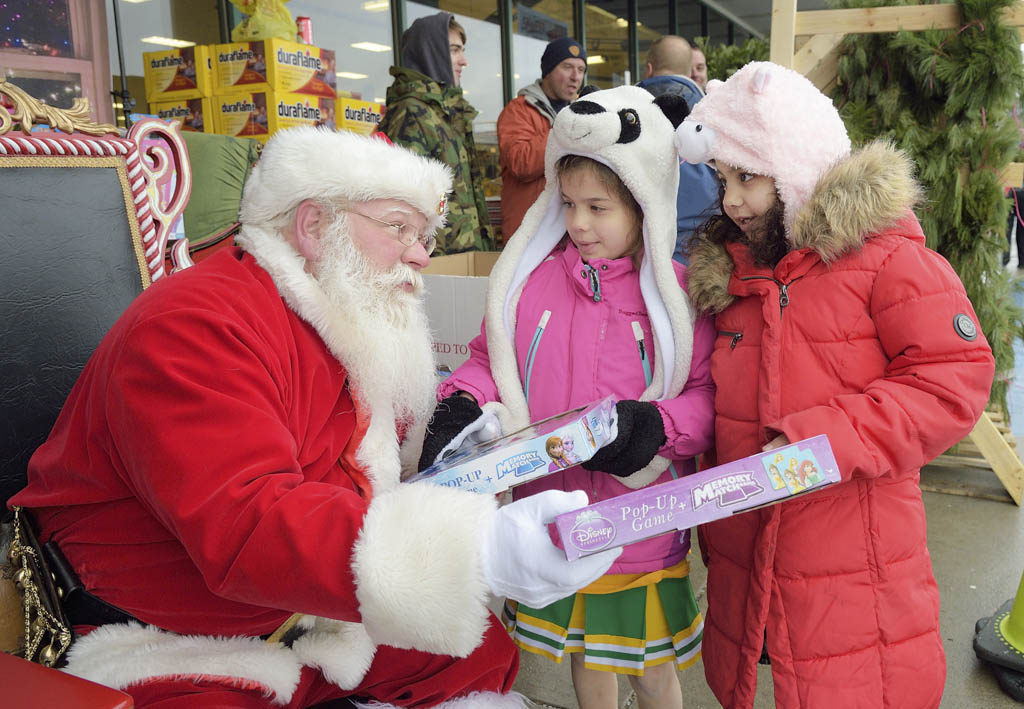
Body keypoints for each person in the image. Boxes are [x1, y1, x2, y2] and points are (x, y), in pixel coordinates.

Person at [7, 127, 622, 708]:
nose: (420, 256)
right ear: (313, 225)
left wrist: (461, 449)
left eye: (426, 236)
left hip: (302, 611)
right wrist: (474, 549)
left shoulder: (335, 314)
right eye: (399, 228)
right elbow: (250, 523)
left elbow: (358, 458)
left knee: (477, 652)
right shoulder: (195, 327)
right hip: (169, 634)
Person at [676, 61, 995, 708]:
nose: (731, 200)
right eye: (721, 179)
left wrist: (822, 442)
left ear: (795, 169)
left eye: (748, 178)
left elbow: (951, 379)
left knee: (853, 684)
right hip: (748, 553)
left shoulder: (890, 260)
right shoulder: (733, 273)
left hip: (855, 552)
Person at [420, 86, 715, 709]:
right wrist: (463, 401)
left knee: (651, 667)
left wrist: (656, 427)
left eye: (599, 207)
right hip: (552, 517)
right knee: (588, 658)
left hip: (638, 526)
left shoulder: (678, 300)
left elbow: (705, 396)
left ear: (644, 204)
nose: (579, 223)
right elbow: (490, 358)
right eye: (570, 204)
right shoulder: (531, 286)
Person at [376, 11, 493, 255]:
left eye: (462, 50)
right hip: (437, 264)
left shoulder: (448, 111)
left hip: (465, 257)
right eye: (454, 50)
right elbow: (403, 207)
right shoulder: (412, 113)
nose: (464, 61)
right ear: (431, 53)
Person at [636, 35, 719, 264]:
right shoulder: (714, 112)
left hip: (640, 250)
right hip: (702, 249)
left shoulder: (626, 110)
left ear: (649, 68)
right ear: (690, 69)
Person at [497, 36, 587, 242]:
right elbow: (521, 163)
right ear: (548, 71)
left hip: (569, 230)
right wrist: (562, 129)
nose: (575, 77)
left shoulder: (578, 113)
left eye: (581, 70)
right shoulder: (518, 110)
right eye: (567, 67)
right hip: (529, 233)